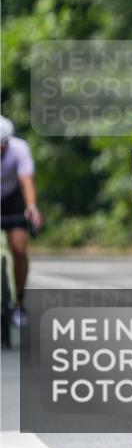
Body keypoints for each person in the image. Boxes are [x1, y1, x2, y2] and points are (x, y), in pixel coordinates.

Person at [0, 115, 43, 327]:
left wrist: (32, 207)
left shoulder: (19, 148)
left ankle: (18, 302)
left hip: (11, 199)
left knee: (19, 248)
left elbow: (26, 180)